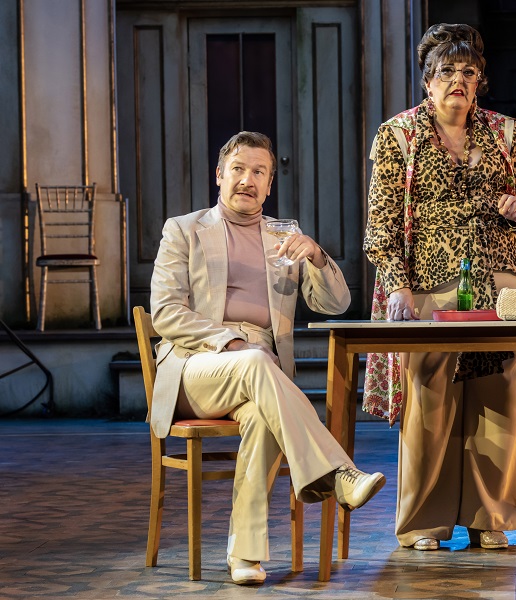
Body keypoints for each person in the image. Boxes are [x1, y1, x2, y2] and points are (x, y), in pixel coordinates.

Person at [150, 131, 385, 585]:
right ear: (219, 175)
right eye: (238, 169)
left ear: (270, 184)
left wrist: (316, 256)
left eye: (259, 172)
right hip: (196, 366)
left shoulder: (284, 236)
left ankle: (245, 555)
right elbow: (165, 312)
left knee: (262, 415)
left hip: (259, 375)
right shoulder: (184, 229)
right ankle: (338, 472)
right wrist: (231, 343)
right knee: (258, 362)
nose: (248, 179)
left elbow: (335, 304)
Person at [363, 23, 516, 552]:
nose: (458, 81)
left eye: (468, 72)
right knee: (432, 399)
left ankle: (491, 517)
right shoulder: (399, 135)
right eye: (447, 72)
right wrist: (397, 284)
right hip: (431, 282)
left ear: (480, 81)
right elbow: (380, 223)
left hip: (500, 281)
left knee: (499, 398)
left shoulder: (505, 132)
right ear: (428, 81)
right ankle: (424, 521)